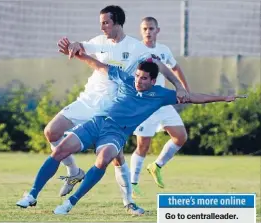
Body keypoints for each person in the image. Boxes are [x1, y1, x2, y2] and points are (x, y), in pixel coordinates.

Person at [17, 41, 244, 215]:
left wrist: (223, 98)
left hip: (116, 133)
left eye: (144, 78)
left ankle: (70, 203)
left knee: (104, 159)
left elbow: (195, 97)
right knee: (59, 151)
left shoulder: (160, 95)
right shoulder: (125, 79)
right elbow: (99, 65)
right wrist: (80, 54)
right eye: (137, 76)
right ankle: (32, 195)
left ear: (152, 81)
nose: (138, 80)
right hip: (97, 122)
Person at [41, 5, 188, 215]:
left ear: (117, 22)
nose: (102, 27)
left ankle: (129, 202)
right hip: (90, 102)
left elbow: (164, 66)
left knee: (117, 157)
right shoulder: (99, 41)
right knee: (51, 132)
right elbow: (82, 46)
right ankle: (74, 171)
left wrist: (180, 87)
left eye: (105, 23)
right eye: (100, 23)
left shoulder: (137, 48)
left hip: (116, 108)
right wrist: (73, 45)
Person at [130, 17, 190, 196]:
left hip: (162, 102)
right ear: (141, 31)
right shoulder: (136, 50)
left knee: (180, 137)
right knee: (143, 145)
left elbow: (175, 67)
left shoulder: (163, 50)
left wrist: (185, 89)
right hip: (145, 104)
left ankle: (156, 166)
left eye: (151, 28)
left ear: (158, 30)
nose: (148, 31)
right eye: (145, 29)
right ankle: (133, 183)